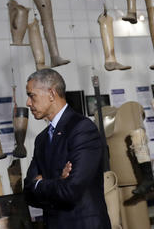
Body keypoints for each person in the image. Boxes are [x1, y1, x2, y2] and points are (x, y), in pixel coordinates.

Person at [23, 69, 111, 228]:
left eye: (31, 95)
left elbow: (71, 190)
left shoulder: (83, 129)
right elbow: (28, 193)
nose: (28, 103)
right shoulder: (41, 140)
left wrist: (41, 184)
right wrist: (58, 181)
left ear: (51, 94)